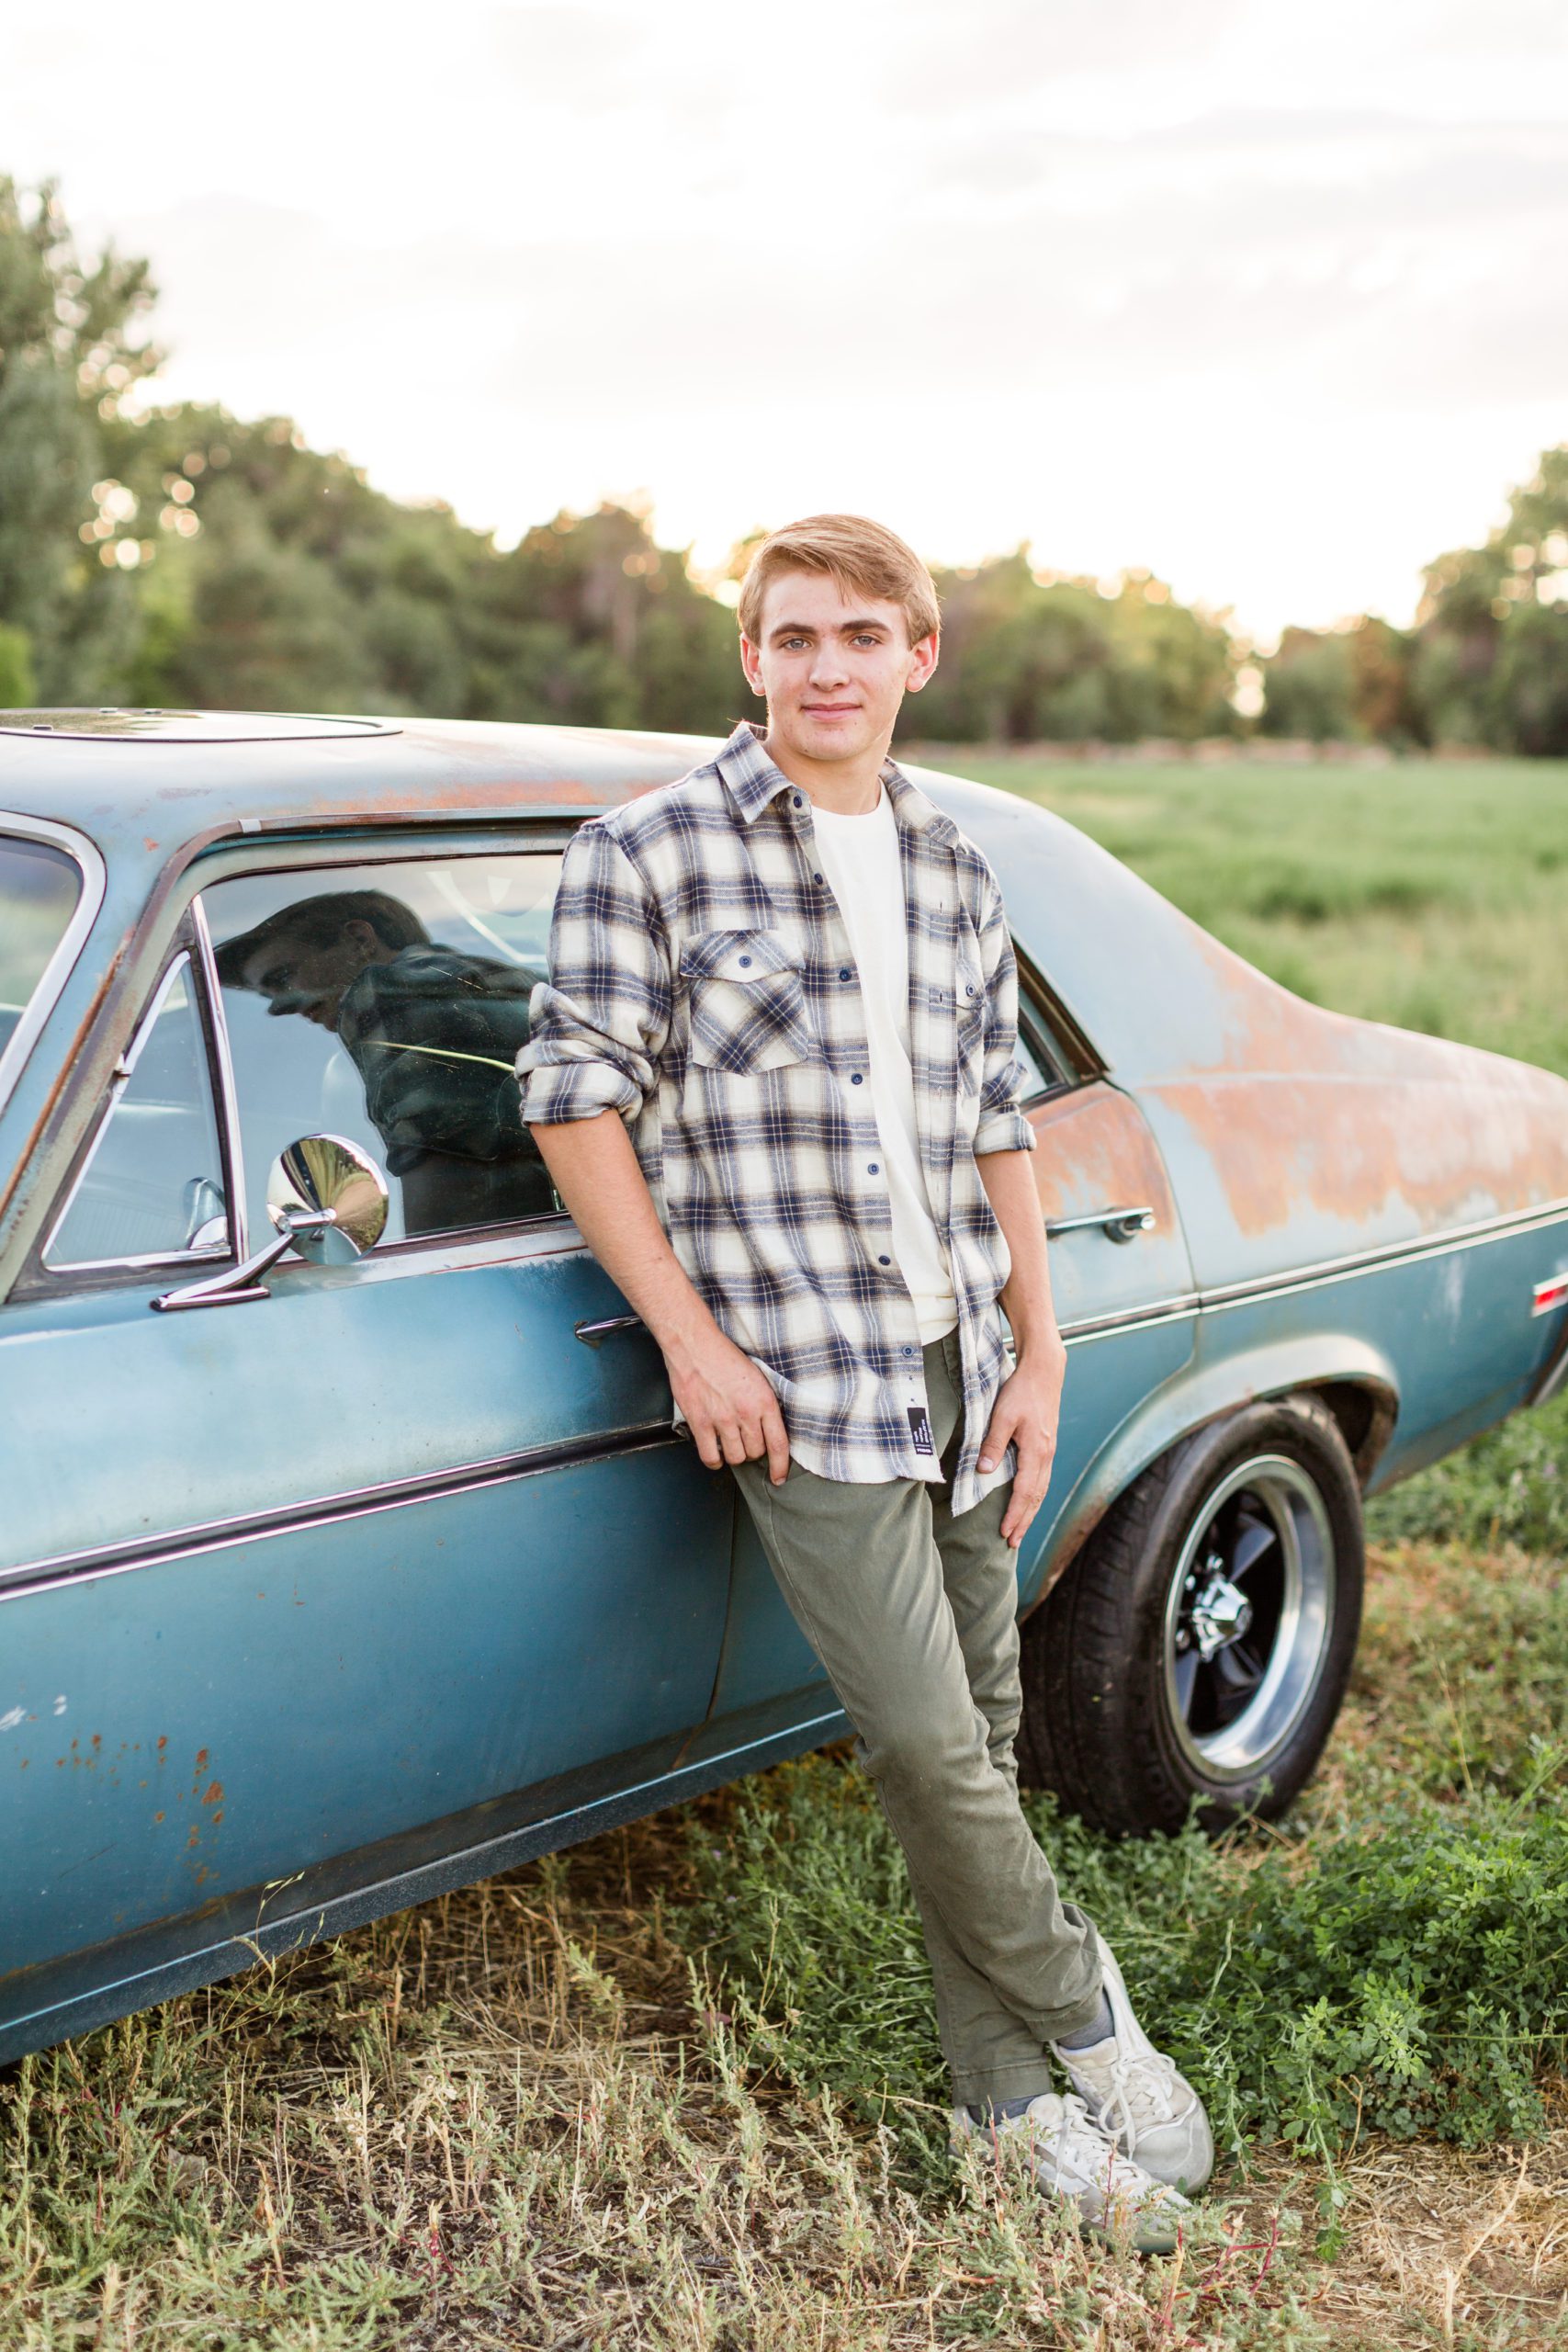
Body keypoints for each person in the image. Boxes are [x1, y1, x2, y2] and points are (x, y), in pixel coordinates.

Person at [517, 514, 1213, 2250]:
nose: (826, 667)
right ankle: (1085, 2018)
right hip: (801, 1371)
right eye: (793, 636)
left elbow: (997, 1121)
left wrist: (1040, 1346)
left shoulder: (955, 866)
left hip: (961, 1348)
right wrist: (690, 1339)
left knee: (969, 1734)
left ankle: (1000, 2112)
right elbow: (568, 1097)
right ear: (748, 658)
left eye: (860, 636)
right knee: (918, 1734)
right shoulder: (649, 851)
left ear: (919, 657)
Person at [215, 889, 555, 1234]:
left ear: (361, 939)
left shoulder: (396, 992)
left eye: (283, 977)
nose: (278, 1008)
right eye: (268, 995)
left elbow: (447, 1202)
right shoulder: (503, 980)